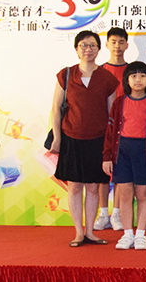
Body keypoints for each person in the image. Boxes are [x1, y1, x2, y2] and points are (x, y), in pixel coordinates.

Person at [50, 30, 119, 247]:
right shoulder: (66, 75)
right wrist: (57, 138)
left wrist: (110, 144)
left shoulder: (107, 78)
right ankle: (78, 232)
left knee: (92, 187)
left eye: (92, 45)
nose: (88, 49)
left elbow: (112, 115)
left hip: (97, 140)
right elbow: (55, 109)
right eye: (83, 45)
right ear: (76, 49)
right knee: (74, 187)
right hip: (71, 138)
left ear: (99, 49)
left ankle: (90, 231)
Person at [102, 61, 146, 250]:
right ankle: (127, 233)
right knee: (125, 194)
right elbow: (110, 131)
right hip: (122, 152)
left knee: (142, 194)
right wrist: (107, 156)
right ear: (127, 80)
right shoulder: (119, 102)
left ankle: (140, 234)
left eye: (142, 76)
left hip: (144, 153)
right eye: (133, 76)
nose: (138, 80)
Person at [94, 27, 131, 232]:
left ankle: (116, 213)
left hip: (125, 130)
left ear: (127, 45)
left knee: (119, 173)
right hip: (103, 128)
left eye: (121, 42)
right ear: (107, 45)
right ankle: (102, 213)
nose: (117, 46)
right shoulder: (99, 71)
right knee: (102, 173)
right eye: (113, 42)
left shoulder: (133, 71)